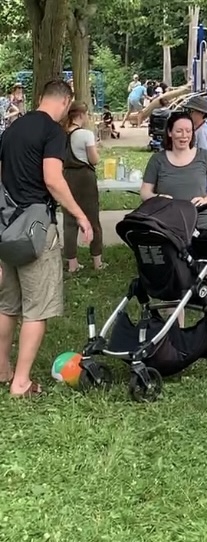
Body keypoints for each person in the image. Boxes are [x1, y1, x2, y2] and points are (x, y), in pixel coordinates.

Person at [0, 79, 92, 398]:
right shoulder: (53, 132)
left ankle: (2, 369)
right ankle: (21, 382)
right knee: (36, 309)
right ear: (66, 102)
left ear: (40, 97)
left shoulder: (12, 129)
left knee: (8, 305)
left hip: (7, 226)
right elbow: (52, 180)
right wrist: (80, 215)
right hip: (36, 230)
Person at [140, 112, 207, 231]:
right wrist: (158, 198)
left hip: (199, 221)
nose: (184, 136)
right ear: (170, 132)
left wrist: (206, 200)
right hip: (166, 223)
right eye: (179, 131)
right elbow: (145, 192)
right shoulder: (158, 160)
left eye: (188, 131)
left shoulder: (203, 156)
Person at [62, 102, 105, 273]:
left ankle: (72, 263)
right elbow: (94, 160)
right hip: (85, 178)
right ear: (81, 115)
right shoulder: (86, 134)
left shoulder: (62, 133)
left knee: (69, 222)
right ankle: (97, 261)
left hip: (67, 177)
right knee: (92, 219)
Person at [184, 96, 207, 169]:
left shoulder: (203, 133)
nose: (188, 114)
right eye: (187, 111)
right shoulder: (198, 129)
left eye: (191, 111)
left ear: (202, 113)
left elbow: (203, 159)